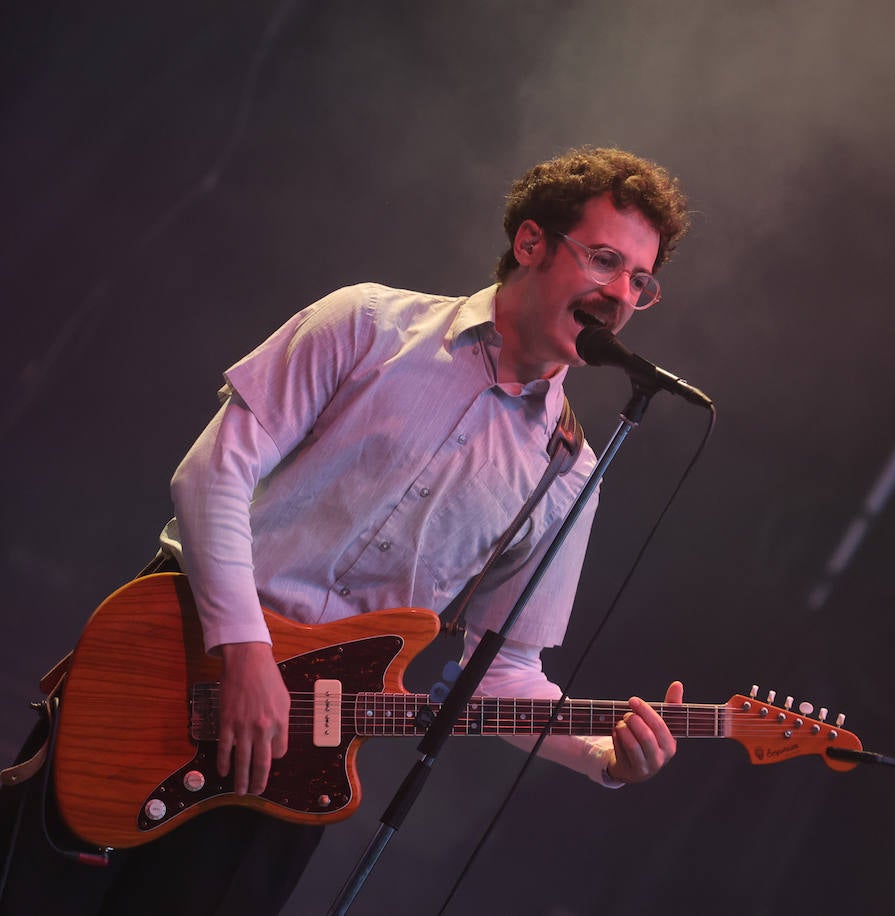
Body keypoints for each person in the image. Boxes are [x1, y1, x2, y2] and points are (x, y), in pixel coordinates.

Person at [0, 146, 692, 914]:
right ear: (531, 243)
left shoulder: (567, 472)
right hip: (173, 661)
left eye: (640, 280)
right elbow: (211, 475)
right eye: (604, 259)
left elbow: (501, 675)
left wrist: (604, 756)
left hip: (294, 767)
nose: (620, 294)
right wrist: (248, 655)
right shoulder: (367, 323)